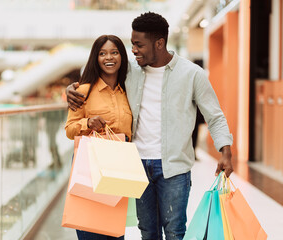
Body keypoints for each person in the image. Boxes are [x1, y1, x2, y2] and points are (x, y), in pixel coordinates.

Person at [66, 12, 234, 240]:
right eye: (132, 44)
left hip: (173, 167)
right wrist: (72, 89)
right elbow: (98, 80)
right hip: (136, 164)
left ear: (159, 43)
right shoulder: (130, 72)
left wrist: (226, 151)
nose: (133, 50)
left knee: (175, 232)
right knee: (147, 231)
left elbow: (215, 116)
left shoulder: (192, 74)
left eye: (138, 45)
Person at [65, 34, 131, 240]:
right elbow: (69, 129)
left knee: (114, 231)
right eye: (102, 53)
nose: (108, 57)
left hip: (119, 168)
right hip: (90, 168)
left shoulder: (128, 91)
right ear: (95, 58)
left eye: (114, 52)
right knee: (90, 229)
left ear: (122, 57)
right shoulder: (82, 91)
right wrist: (87, 123)